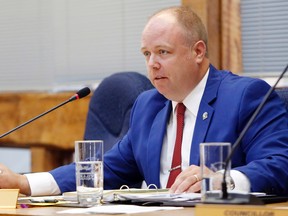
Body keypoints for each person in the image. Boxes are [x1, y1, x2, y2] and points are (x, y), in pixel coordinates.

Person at [0, 5, 288, 196]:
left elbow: (281, 164)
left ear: (198, 51)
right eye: (146, 54)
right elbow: (105, 169)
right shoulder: (148, 105)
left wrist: (223, 180)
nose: (152, 64)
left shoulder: (245, 96)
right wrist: (23, 182)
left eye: (163, 52)